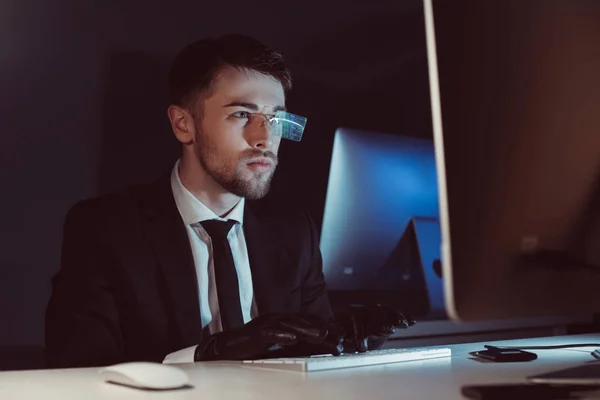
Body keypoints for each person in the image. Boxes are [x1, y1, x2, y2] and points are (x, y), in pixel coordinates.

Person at [44, 34, 414, 368]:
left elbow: (308, 364)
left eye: (276, 118)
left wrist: (345, 344)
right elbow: (80, 371)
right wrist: (208, 353)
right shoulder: (105, 228)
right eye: (242, 114)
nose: (264, 138)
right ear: (183, 125)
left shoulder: (293, 232)